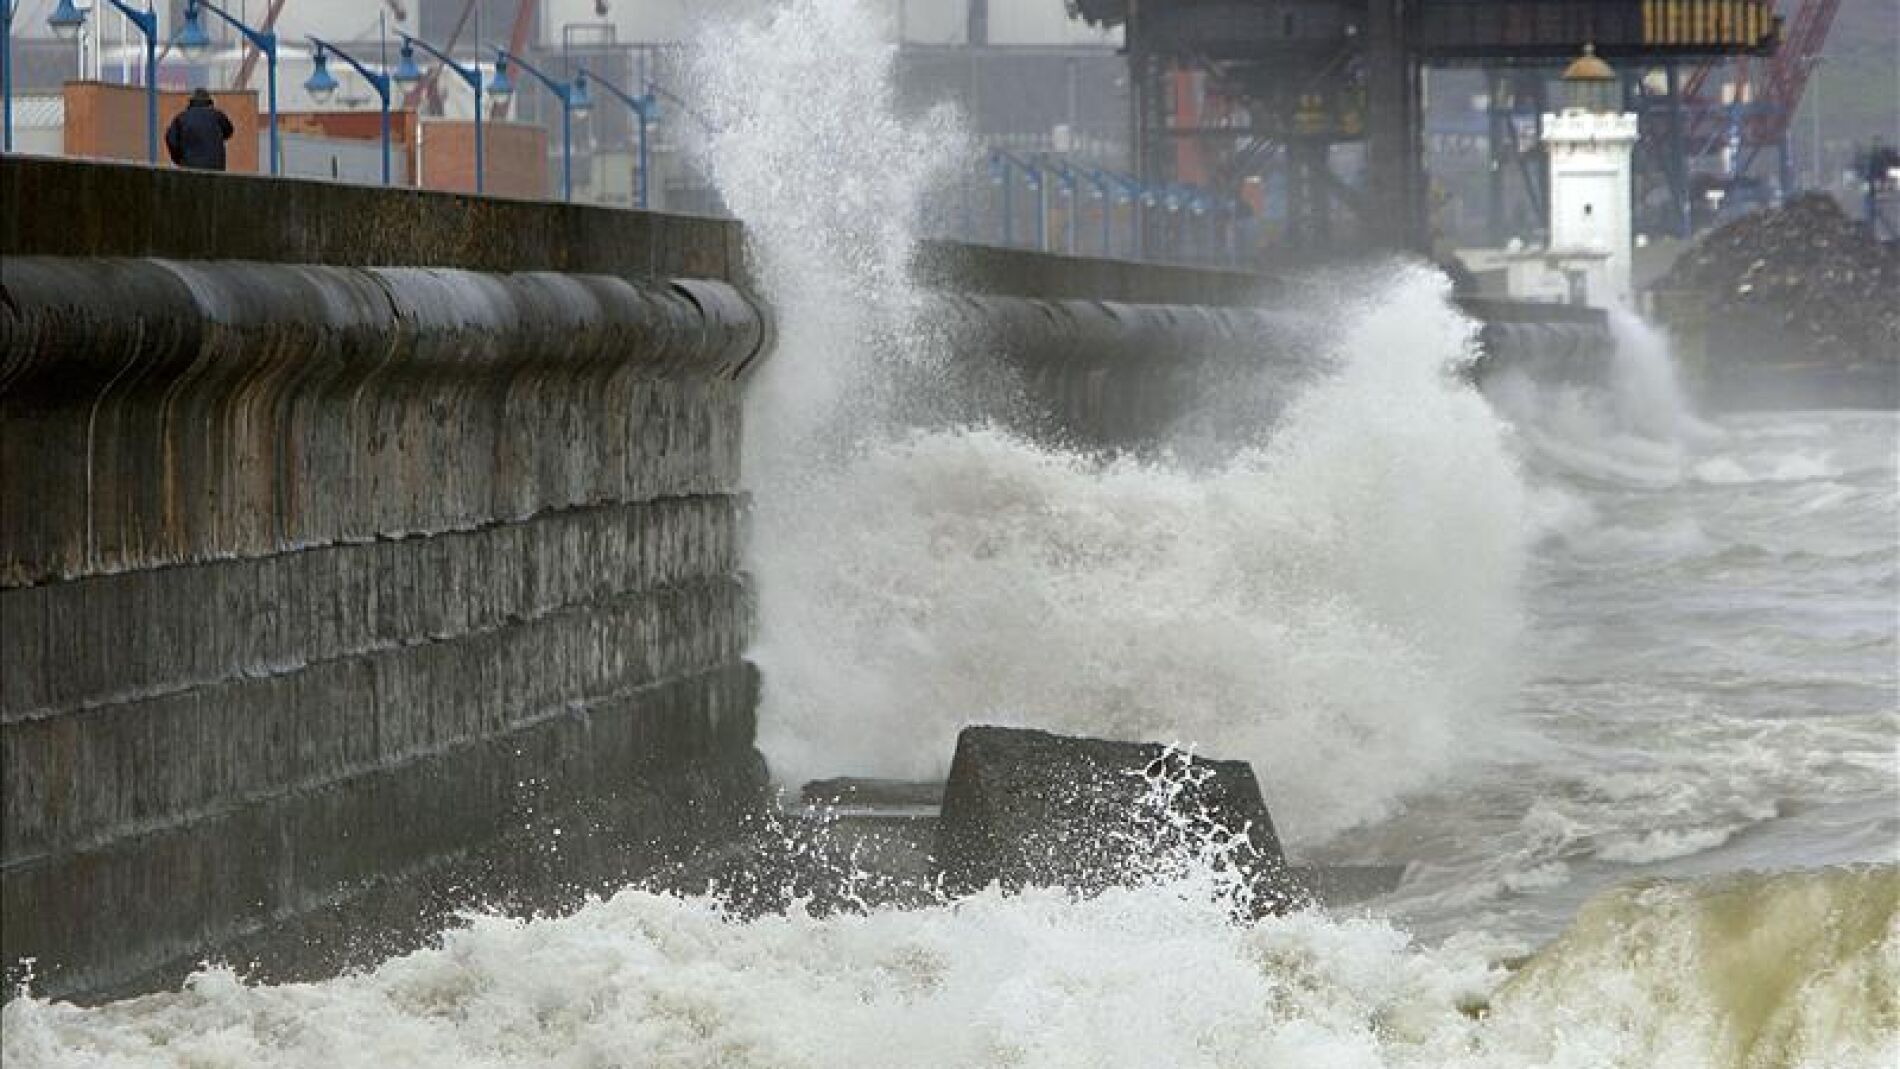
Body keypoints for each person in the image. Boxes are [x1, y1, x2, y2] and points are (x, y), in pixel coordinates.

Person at [164, 88, 234, 171]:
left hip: (190, 168)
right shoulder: (218, 116)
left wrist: (178, 159)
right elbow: (229, 131)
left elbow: (171, 139)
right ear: (210, 102)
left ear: (191, 102)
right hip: (215, 169)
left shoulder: (181, 118)